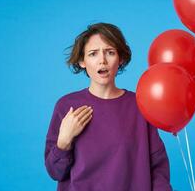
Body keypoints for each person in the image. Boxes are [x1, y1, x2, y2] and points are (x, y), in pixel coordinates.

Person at [44, 23, 173, 191]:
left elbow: (158, 168)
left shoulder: (140, 105)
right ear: (82, 61)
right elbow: (55, 172)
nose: (102, 60)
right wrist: (64, 141)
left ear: (121, 59)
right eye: (93, 54)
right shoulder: (66, 106)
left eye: (110, 52)